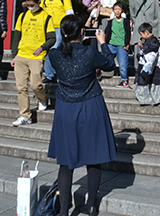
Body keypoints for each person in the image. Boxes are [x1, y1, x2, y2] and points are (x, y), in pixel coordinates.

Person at [47, 15, 117, 216]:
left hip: (65, 107)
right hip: (90, 104)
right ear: (81, 32)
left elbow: (66, 55)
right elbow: (110, 65)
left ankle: (62, 211)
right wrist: (102, 43)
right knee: (93, 157)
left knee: (65, 161)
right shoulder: (89, 53)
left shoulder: (54, 55)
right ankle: (92, 205)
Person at [10, 0, 55, 126]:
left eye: (32, 4)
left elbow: (52, 38)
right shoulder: (23, 16)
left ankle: (42, 99)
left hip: (36, 56)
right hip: (22, 55)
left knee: (36, 84)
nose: (30, 7)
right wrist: (14, 55)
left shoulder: (46, 17)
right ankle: (25, 115)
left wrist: (43, 47)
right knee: (21, 87)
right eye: (28, 5)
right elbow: (17, 36)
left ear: (38, 3)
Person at [41, 0, 74, 84]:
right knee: (48, 50)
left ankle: (51, 75)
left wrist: (69, 28)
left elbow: (69, 13)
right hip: (48, 28)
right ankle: (49, 74)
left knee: (53, 49)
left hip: (60, 28)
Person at [129, 0, 160, 68]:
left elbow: (158, 16)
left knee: (152, 57)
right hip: (139, 31)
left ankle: (151, 77)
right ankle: (139, 77)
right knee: (138, 57)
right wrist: (139, 23)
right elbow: (133, 14)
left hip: (152, 31)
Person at [134, 23, 160, 105]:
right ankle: (157, 98)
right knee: (155, 82)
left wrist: (146, 70)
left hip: (149, 66)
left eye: (141, 34)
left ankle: (146, 99)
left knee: (146, 81)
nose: (141, 37)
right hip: (156, 66)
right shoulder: (153, 42)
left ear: (146, 32)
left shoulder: (152, 43)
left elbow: (150, 57)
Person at [104, 1, 131, 87]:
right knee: (105, 59)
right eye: (115, 9)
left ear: (122, 11)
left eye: (119, 9)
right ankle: (98, 73)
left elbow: (128, 33)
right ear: (113, 11)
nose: (117, 11)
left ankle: (124, 80)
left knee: (123, 64)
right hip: (111, 44)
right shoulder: (111, 22)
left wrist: (127, 43)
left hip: (122, 45)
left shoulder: (125, 21)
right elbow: (107, 32)